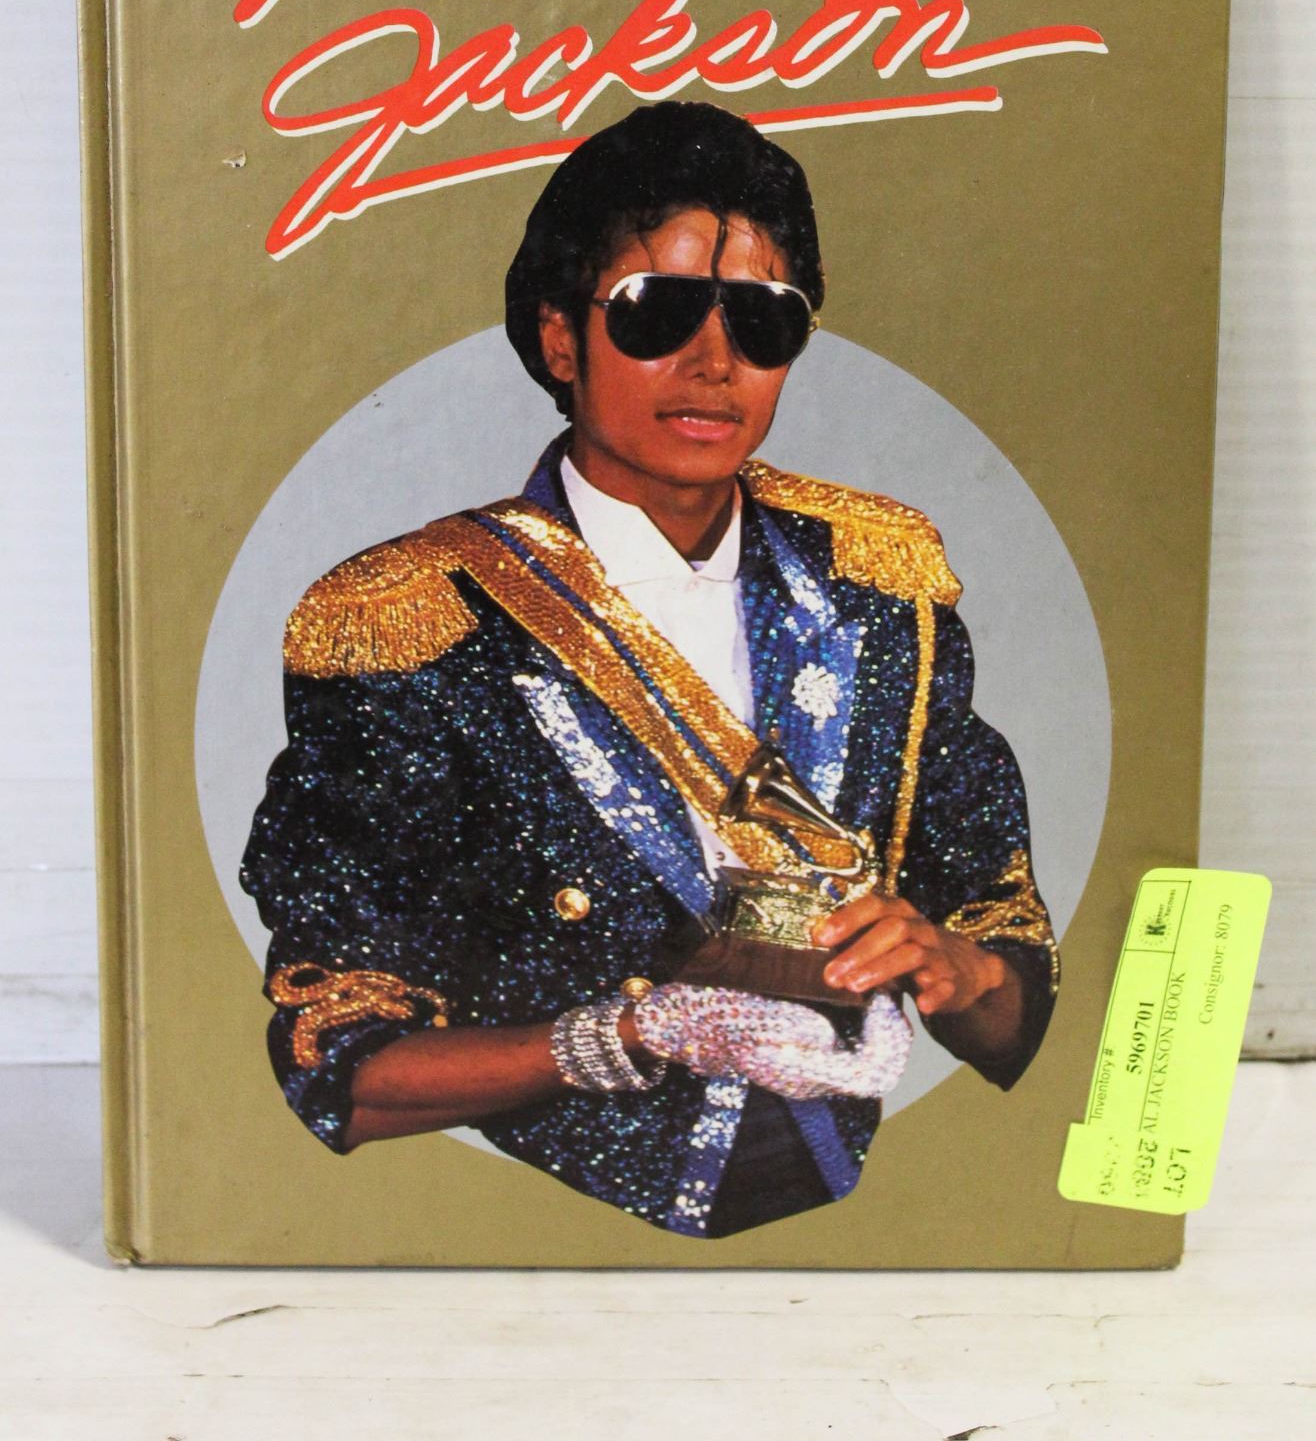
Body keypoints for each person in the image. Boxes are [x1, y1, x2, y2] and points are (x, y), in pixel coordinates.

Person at [240, 101, 1058, 1239]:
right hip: (551, 1233)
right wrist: (622, 1038)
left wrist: (959, 972)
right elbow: (337, 1062)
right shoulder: (411, 624)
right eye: (656, 311)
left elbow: (1013, 987)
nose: (714, 363)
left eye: (762, 322)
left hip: (856, 1222)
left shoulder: (882, 586)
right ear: (559, 339)